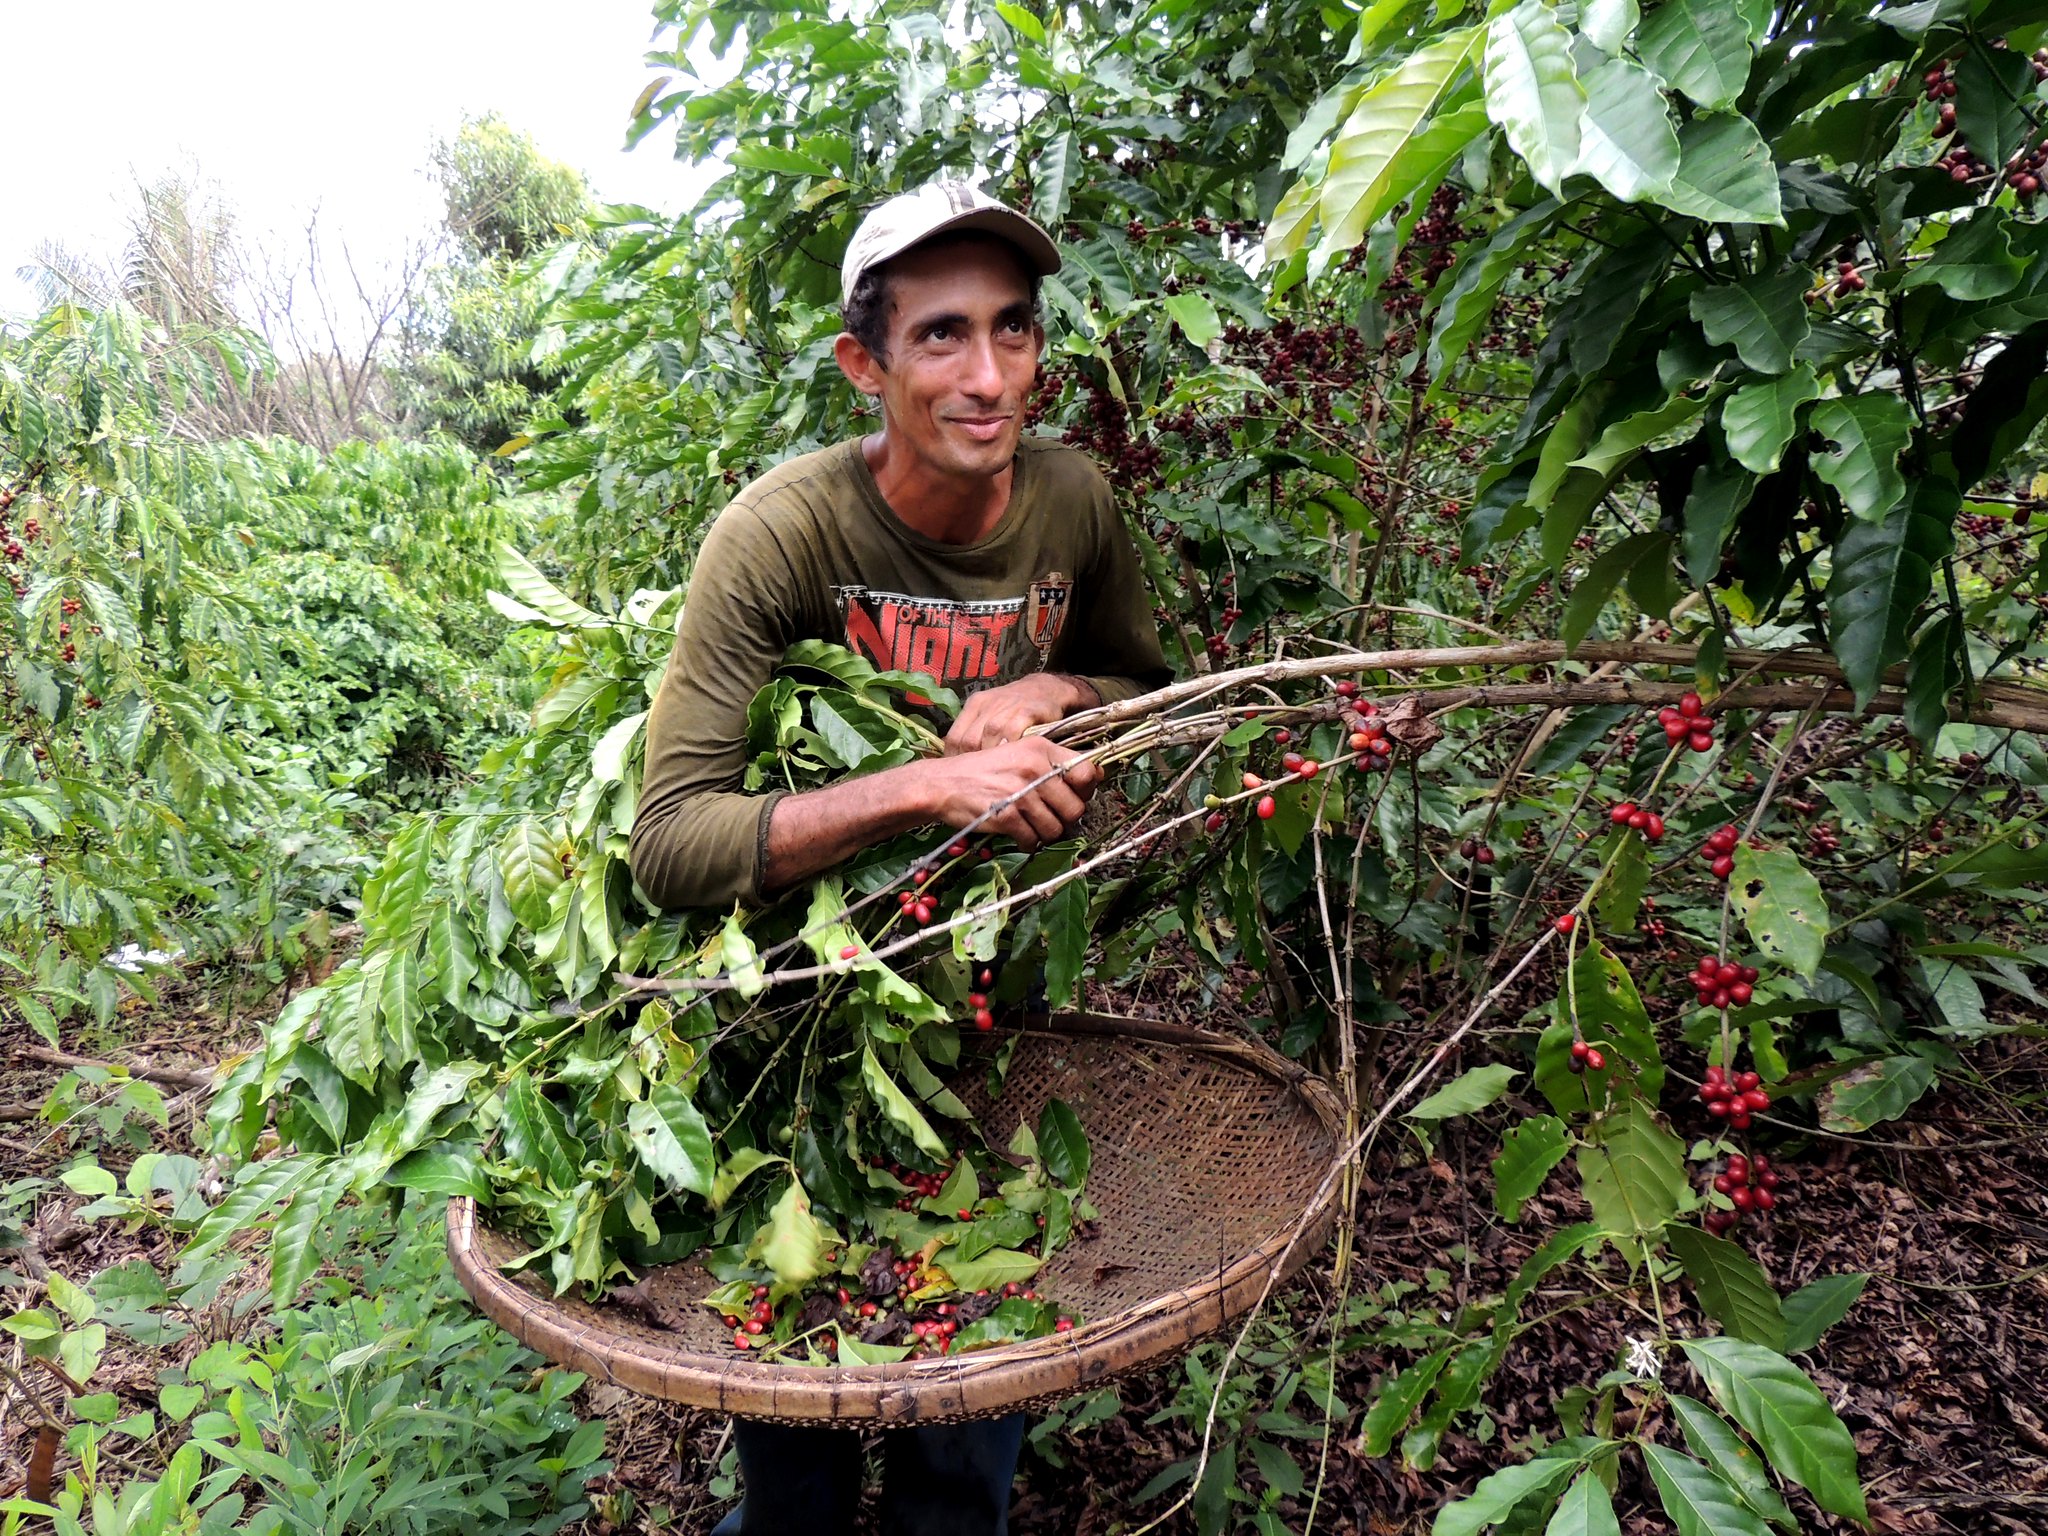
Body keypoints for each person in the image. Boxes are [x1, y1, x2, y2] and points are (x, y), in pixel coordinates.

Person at [627, 178, 1171, 1533]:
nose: (990, 378)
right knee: (795, 1428)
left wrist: (1057, 699)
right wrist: (928, 784)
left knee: (969, 1421)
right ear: (864, 364)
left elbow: (1146, 690)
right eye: (940, 337)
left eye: (1015, 330)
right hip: (800, 1048)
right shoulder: (782, 534)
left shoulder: (1073, 507)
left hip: (995, 1030)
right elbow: (672, 840)